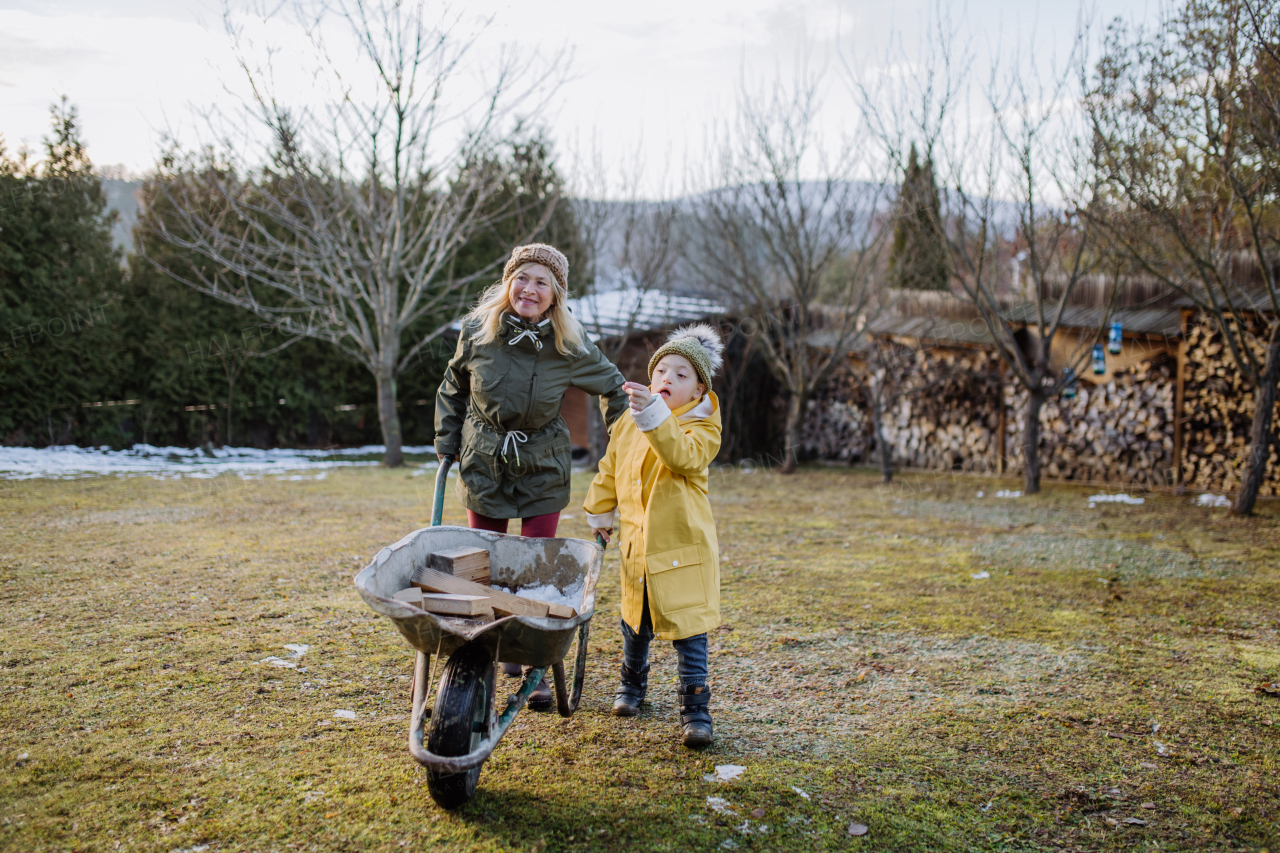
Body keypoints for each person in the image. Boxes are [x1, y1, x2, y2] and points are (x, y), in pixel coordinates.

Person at [434, 243, 628, 709]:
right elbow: (453, 385)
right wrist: (447, 441)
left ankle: (534, 662)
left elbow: (614, 387)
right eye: (523, 278)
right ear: (508, 283)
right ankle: (499, 656)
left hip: (542, 462)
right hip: (484, 459)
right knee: (486, 565)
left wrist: (624, 441)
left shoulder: (569, 344)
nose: (530, 288)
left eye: (543, 282)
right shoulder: (478, 331)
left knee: (539, 568)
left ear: (556, 295)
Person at [584, 324, 724, 747]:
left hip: (683, 549)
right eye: (662, 370)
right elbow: (611, 466)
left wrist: (652, 416)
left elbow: (679, 454)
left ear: (699, 389)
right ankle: (631, 685)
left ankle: (696, 707)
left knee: (688, 631)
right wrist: (600, 510)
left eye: (682, 375)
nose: (668, 379)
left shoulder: (702, 428)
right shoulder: (630, 421)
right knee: (634, 622)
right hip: (638, 548)